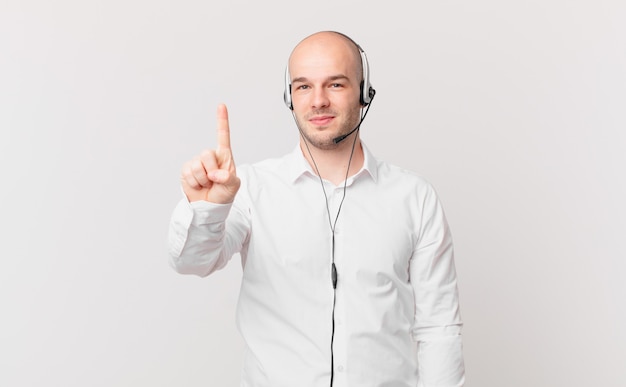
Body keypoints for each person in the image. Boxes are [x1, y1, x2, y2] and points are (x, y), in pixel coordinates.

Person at [168, 31, 465, 387]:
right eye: (303, 87)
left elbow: (439, 328)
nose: (318, 101)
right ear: (289, 96)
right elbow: (192, 261)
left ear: (364, 91)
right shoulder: (249, 190)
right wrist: (209, 209)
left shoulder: (414, 197)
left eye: (335, 85)